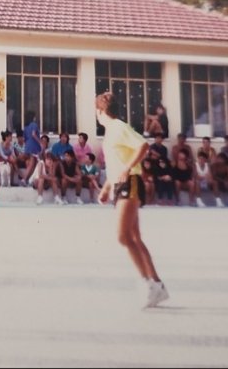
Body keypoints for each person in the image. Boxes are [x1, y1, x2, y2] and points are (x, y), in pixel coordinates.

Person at [95, 92, 168, 309]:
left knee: (123, 236)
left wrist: (127, 169)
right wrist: (106, 188)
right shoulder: (110, 133)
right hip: (120, 185)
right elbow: (117, 163)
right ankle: (156, 284)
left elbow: (143, 146)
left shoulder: (119, 127)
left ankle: (149, 284)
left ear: (100, 111)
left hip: (131, 183)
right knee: (134, 237)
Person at [22, 111, 42, 183]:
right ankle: (24, 179)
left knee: (33, 163)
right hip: (34, 146)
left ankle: (27, 179)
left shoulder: (26, 127)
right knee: (32, 163)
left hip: (28, 145)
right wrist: (40, 142)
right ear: (33, 117)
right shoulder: (34, 124)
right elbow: (33, 134)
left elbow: (24, 139)